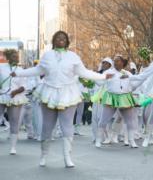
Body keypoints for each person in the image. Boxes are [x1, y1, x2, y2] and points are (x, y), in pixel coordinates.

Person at [12, 31, 112, 168]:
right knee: (47, 127)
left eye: (64, 38)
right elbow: (37, 70)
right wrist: (18, 73)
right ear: (53, 41)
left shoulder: (73, 57)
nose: (61, 40)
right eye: (58, 38)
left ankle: (67, 158)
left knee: (67, 127)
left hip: (68, 94)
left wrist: (102, 77)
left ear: (67, 41)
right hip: (49, 93)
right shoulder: (47, 56)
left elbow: (84, 72)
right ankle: (43, 155)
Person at [98, 55, 138, 148]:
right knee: (103, 120)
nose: (116, 63)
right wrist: (92, 79)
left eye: (118, 61)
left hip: (124, 98)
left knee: (130, 121)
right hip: (111, 97)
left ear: (122, 63)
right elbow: (100, 82)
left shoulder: (127, 73)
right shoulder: (108, 72)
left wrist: (130, 88)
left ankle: (131, 141)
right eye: (114, 61)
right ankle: (99, 139)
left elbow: (135, 83)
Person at [0, 49, 28, 155]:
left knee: (14, 122)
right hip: (2, 95)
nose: (17, 58)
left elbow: (25, 86)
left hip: (15, 97)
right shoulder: (1, 67)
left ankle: (13, 147)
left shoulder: (21, 70)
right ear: (8, 58)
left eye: (17, 56)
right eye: (14, 56)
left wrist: (16, 92)